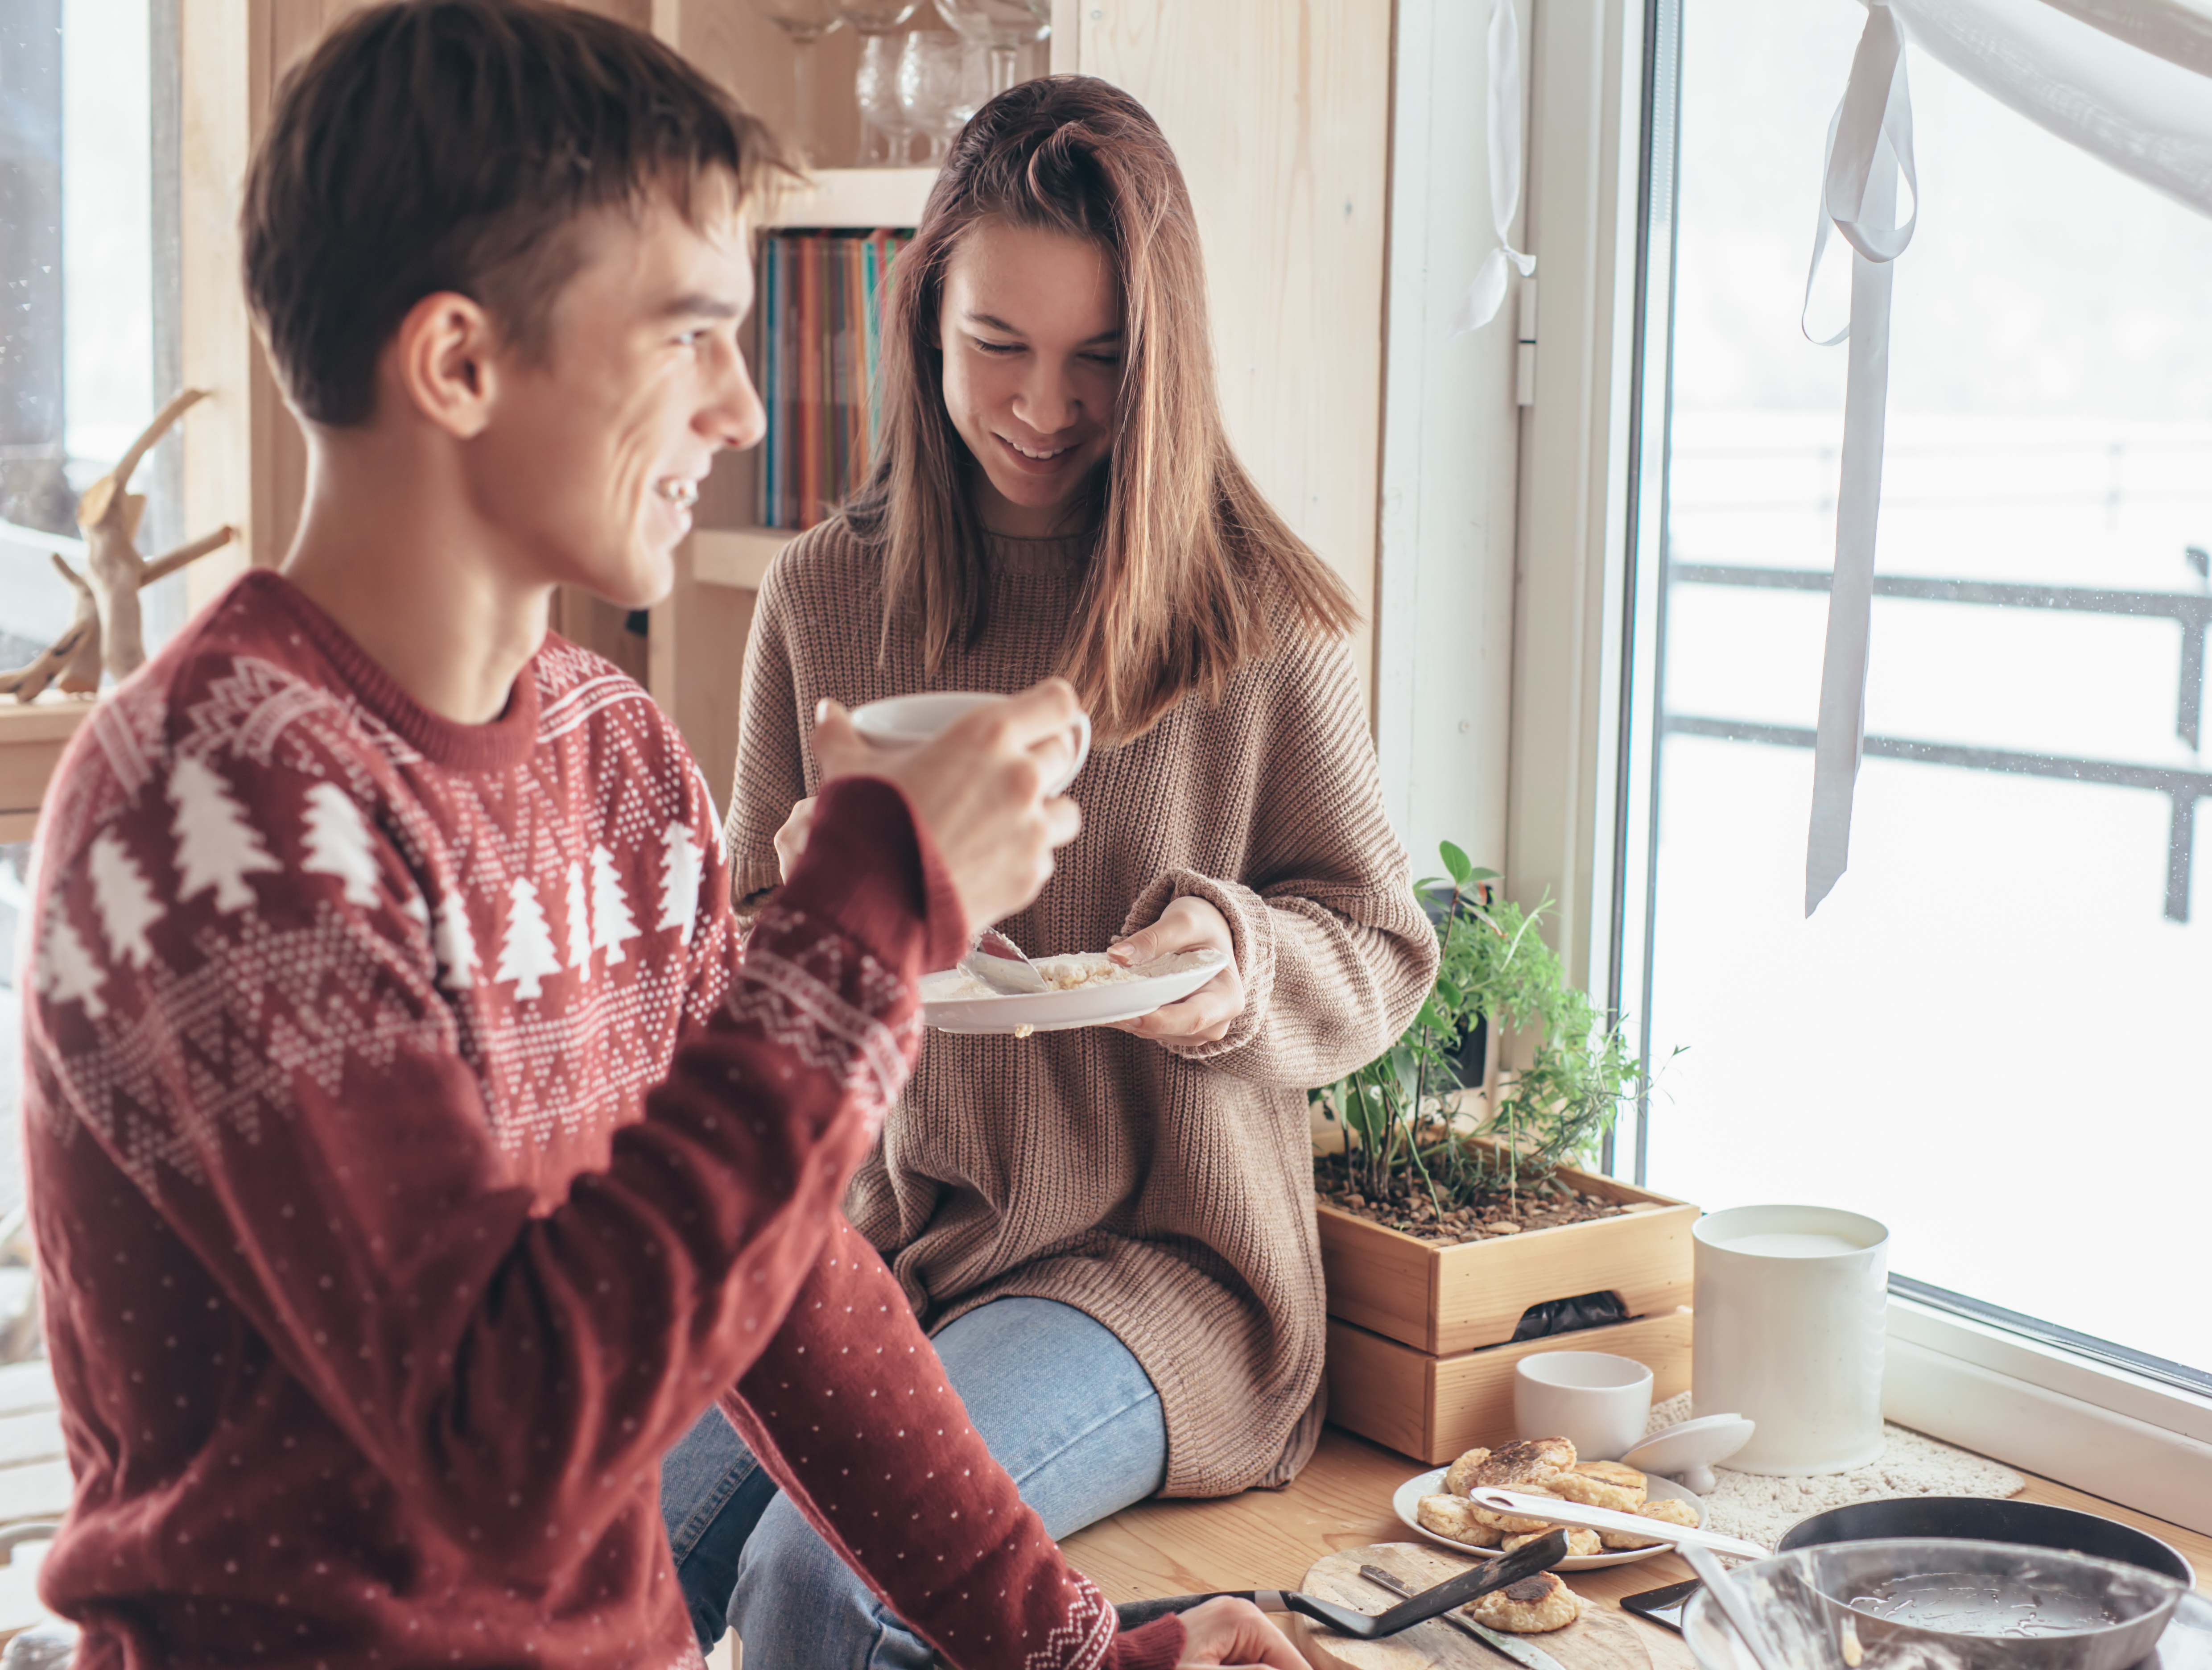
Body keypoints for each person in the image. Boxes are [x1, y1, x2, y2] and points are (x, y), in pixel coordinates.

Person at [17, 6, 1308, 1669]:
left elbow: (780, 1286)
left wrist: (1069, 1648)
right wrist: (871, 911)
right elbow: (498, 1458)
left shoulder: (614, 757)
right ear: (461, 363)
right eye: (688, 332)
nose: (743, 410)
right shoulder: (218, 804)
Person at [663, 75, 1439, 1670]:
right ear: (925, 318)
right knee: (616, 1525)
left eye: (1100, 361)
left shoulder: (1260, 620)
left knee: (822, 1582)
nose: (1043, 405)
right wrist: (815, 905)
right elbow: (728, 965)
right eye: (997, 348)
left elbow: (1383, 944)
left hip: (1160, 1279)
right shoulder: (825, 592)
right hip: (879, 1250)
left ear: (1164, 364)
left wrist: (1236, 967)